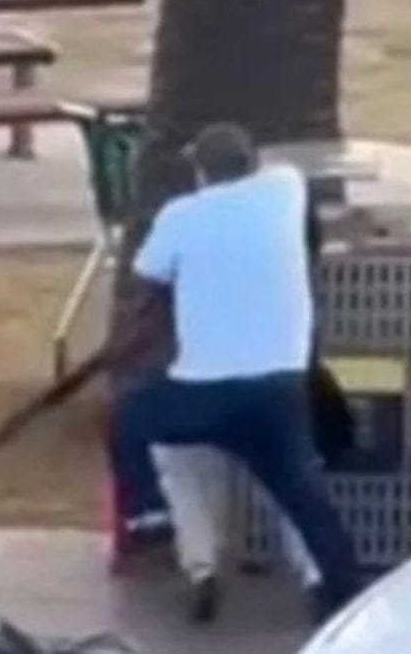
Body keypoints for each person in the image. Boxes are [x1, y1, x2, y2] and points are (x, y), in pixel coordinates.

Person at [113, 122, 361, 623]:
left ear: (201, 172)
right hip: (278, 387)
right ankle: (339, 588)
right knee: (300, 490)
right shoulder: (285, 188)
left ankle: (153, 520)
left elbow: (147, 273)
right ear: (251, 164)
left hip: (201, 389)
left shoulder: (180, 215)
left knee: (132, 418)